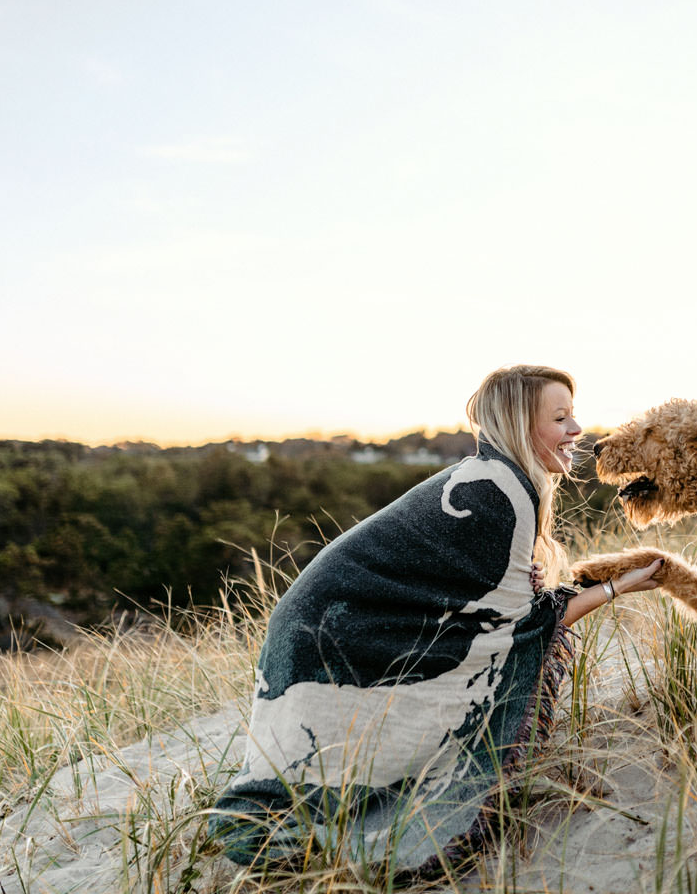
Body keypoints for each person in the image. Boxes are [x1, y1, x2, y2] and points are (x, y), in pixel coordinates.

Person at [211, 365, 662, 876]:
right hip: (335, 631)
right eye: (560, 418)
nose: (577, 430)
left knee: (339, 757)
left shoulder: (494, 478)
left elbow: (498, 608)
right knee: (341, 775)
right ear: (518, 424)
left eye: (574, 415)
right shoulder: (499, 492)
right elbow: (520, 631)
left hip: (323, 621)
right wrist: (616, 588)